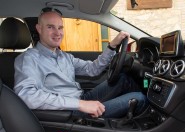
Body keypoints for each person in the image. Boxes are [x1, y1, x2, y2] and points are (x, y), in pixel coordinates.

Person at [14, 7, 148, 118]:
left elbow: (93, 69)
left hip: (81, 98)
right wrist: (80, 105)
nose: (57, 33)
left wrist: (112, 46)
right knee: (139, 98)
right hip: (70, 112)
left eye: (60, 28)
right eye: (50, 27)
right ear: (39, 28)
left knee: (123, 79)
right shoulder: (29, 59)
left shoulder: (65, 57)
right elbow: (27, 95)